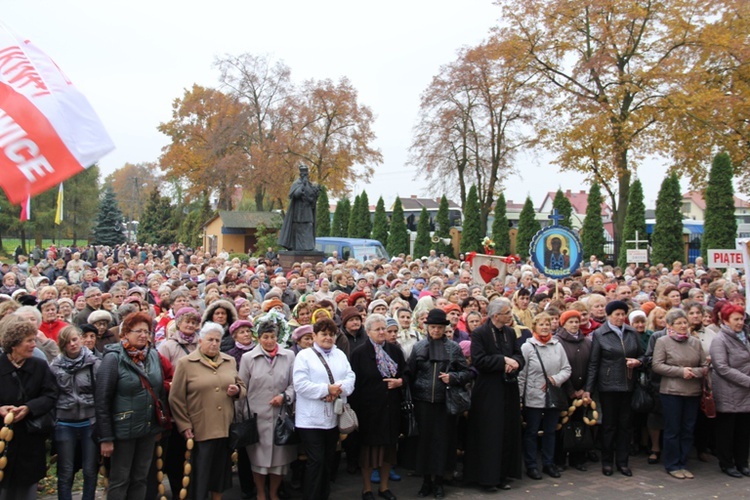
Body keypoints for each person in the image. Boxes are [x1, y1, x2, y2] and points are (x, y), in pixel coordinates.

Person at [95, 312, 167, 500]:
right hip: (122, 430)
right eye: (138, 331)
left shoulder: (152, 355)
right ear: (125, 333)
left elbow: (159, 391)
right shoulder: (113, 358)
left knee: (141, 477)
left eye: (147, 331)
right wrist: (106, 437)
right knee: (120, 478)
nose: (144, 335)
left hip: (147, 427)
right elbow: (102, 399)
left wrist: (160, 423)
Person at [169, 322, 245, 500]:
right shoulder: (186, 363)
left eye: (217, 340)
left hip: (224, 426)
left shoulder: (229, 361)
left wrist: (237, 391)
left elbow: (242, 387)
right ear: (200, 341)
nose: (214, 343)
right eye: (210, 339)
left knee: (220, 472)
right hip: (200, 427)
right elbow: (176, 397)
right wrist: (184, 424)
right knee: (200, 475)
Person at [407, 309, 471, 499]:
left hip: (445, 402)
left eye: (439, 327)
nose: (436, 330)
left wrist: (452, 377)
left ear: (445, 328)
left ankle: (439, 481)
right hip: (423, 401)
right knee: (425, 442)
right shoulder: (419, 347)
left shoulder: (453, 347)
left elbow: (466, 372)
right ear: (427, 327)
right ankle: (426, 481)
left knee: (442, 443)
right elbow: (410, 372)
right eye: (433, 327)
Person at [464, 298, 524, 492]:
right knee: (490, 433)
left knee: (506, 430)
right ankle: (486, 477)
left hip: (508, 387)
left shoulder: (509, 332)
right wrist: (502, 361)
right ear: (496, 315)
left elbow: (518, 355)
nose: (510, 315)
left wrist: (514, 363)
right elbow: (479, 360)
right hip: (488, 391)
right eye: (507, 312)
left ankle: (502, 474)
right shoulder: (480, 333)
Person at [293, 318, 355, 500]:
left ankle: (323, 495)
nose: (328, 338)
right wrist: (326, 389)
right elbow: (301, 385)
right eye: (324, 334)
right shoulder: (304, 356)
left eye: (331, 334)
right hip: (310, 420)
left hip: (333, 418)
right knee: (316, 461)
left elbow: (350, 377)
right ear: (314, 336)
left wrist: (338, 390)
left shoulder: (340, 355)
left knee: (328, 460)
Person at [238, 314, 296, 500]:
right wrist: (241, 416)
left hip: (280, 416)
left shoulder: (289, 356)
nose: (269, 341)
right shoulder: (248, 358)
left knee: (279, 461)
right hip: (257, 416)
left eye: (272, 337)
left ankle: (274, 493)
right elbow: (242, 388)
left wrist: (284, 396)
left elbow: (294, 385)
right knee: (258, 461)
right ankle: (261, 493)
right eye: (265, 337)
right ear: (259, 338)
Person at [583, 300, 645, 477]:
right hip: (608, 385)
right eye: (616, 314)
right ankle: (607, 461)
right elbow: (594, 363)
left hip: (628, 383)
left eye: (622, 314)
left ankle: (623, 462)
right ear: (609, 316)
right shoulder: (600, 334)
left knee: (625, 425)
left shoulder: (632, 333)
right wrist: (589, 388)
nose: (620, 317)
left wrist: (638, 361)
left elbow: (642, 354)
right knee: (609, 425)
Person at [0, 316, 58, 500]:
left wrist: (29, 408)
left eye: (34, 340)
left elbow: (51, 395)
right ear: (14, 344)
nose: (34, 344)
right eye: (29, 341)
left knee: (27, 489)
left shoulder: (39, 365)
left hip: (30, 438)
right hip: (3, 440)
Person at [349, 314, 406, 500]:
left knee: (389, 452)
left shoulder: (395, 351)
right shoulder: (359, 353)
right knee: (368, 454)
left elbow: (406, 374)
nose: (382, 332)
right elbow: (354, 385)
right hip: (369, 411)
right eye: (378, 329)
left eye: (385, 329)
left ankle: (384, 487)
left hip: (391, 409)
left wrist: (400, 382)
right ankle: (366, 488)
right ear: (368, 332)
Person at [651, 308, 707, 479]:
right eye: (679, 323)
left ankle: (683, 461)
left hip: (692, 391)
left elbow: (705, 366)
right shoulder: (663, 342)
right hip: (672, 391)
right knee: (673, 429)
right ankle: (672, 463)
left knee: (687, 429)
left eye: (685, 323)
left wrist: (694, 373)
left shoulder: (695, 343)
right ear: (671, 325)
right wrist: (680, 372)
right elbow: (657, 365)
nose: (683, 326)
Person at [50, 325, 101, 500]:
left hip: (89, 420)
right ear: (62, 345)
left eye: (75, 340)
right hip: (65, 420)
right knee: (66, 469)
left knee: (89, 469)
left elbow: (101, 391)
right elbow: (52, 393)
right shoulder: (55, 366)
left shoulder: (93, 363)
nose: (72, 344)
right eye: (68, 342)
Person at [519, 313, 571, 480]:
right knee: (532, 431)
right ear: (534, 327)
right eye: (541, 324)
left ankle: (549, 463)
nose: (545, 327)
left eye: (547, 324)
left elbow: (566, 369)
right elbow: (522, 374)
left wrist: (555, 379)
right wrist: (520, 397)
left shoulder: (557, 345)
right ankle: (531, 465)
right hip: (533, 396)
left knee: (550, 431)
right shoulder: (527, 347)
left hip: (553, 395)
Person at [709, 302, 750, 478]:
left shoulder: (745, 336)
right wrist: (747, 380)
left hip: (745, 393)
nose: (740, 322)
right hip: (729, 390)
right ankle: (727, 463)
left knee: (744, 430)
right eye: (736, 319)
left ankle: (742, 462)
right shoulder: (720, 339)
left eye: (741, 319)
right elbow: (722, 367)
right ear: (726, 320)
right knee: (727, 431)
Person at [554, 309, 592, 471]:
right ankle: (560, 459)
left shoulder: (587, 342)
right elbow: (560, 366)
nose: (575, 324)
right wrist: (571, 390)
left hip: (583, 391)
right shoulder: (558, 341)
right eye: (571, 321)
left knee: (579, 425)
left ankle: (578, 458)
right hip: (564, 390)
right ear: (564, 323)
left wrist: (586, 389)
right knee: (562, 425)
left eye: (577, 321)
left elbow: (592, 366)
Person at [278, 164, 322, 251]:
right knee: (299, 228)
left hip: (308, 211)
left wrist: (316, 192)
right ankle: (298, 247)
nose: (305, 176)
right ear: (300, 174)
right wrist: (303, 185)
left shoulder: (309, 184)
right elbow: (295, 194)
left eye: (306, 174)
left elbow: (312, 197)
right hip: (298, 212)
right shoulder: (297, 183)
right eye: (303, 174)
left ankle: (309, 247)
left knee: (309, 226)